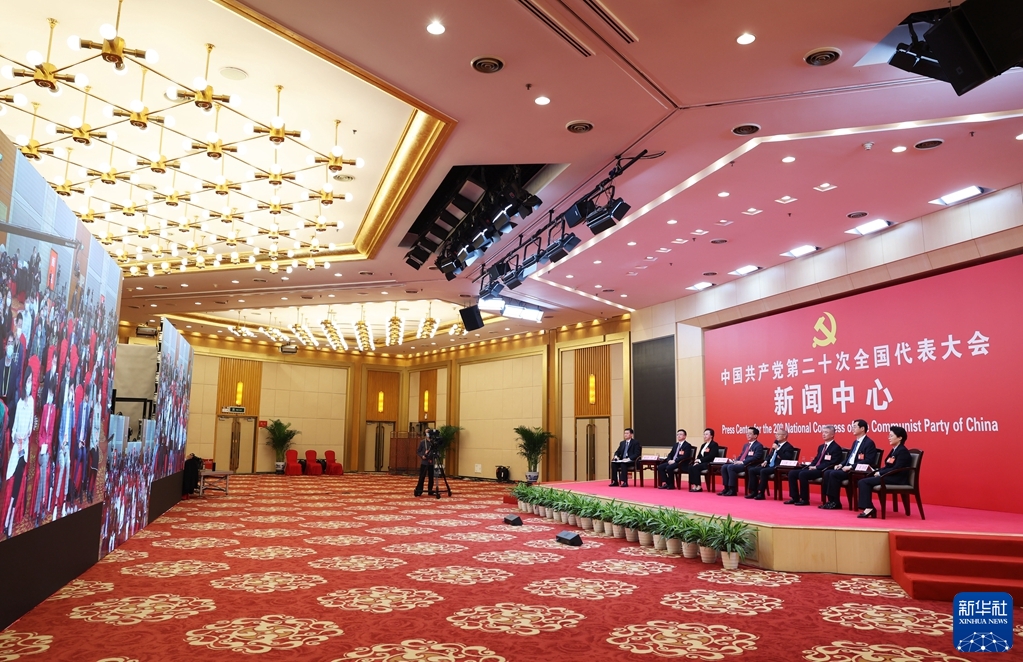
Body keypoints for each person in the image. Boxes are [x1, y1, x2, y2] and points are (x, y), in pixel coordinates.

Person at [820, 419, 877, 510]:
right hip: (848, 468)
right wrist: (841, 464)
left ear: (862, 428)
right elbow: (849, 458)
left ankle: (836, 502)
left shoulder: (869, 443)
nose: (852, 429)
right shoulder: (855, 442)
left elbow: (869, 460)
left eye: (854, 427)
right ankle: (830, 500)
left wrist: (851, 467)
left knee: (833, 474)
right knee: (827, 472)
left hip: (856, 470)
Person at [857, 426, 913, 518]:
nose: (889, 438)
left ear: (900, 438)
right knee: (864, 479)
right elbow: (888, 466)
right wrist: (876, 471)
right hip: (889, 476)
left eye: (891, 436)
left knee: (864, 482)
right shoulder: (895, 450)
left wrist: (880, 473)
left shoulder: (902, 451)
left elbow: (897, 468)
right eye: (889, 436)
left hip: (897, 479)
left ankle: (869, 508)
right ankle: (867, 507)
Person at [786, 425, 842, 505]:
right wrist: (810, 466)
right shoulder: (821, 447)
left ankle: (804, 499)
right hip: (815, 468)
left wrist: (816, 467)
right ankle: (794, 497)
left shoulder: (836, 447)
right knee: (792, 473)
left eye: (826, 432)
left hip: (822, 470)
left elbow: (832, 463)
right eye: (823, 432)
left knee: (803, 474)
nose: (823, 434)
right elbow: (816, 459)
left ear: (832, 434)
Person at [745, 427, 797, 500]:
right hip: (769, 465)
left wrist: (778, 449)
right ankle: (753, 491)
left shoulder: (788, 447)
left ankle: (761, 493)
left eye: (778, 434)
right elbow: (770, 455)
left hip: (777, 467)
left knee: (763, 471)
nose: (776, 436)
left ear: (784, 436)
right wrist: (766, 461)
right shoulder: (776, 444)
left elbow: (786, 458)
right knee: (752, 470)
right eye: (776, 434)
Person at [719, 427, 765, 496]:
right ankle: (726, 488)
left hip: (748, 465)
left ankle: (733, 489)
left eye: (750, 434)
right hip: (741, 463)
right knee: (724, 466)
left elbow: (756, 457)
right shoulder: (746, 445)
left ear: (755, 436)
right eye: (747, 433)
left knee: (731, 467)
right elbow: (742, 455)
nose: (747, 435)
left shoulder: (758, 445)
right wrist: (735, 461)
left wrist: (743, 462)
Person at [413, 430, 439, 498]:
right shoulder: (422, 442)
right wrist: (422, 456)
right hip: (424, 462)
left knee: (431, 477)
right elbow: (418, 451)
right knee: (422, 477)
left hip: (431, 462)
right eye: (427, 433)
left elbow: (437, 451)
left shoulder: (433, 442)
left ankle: (430, 490)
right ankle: (419, 490)